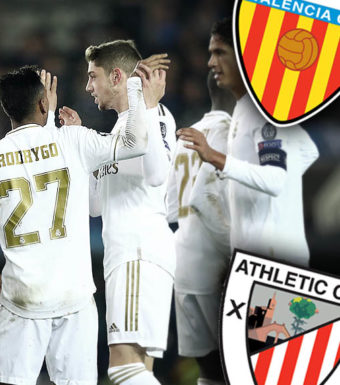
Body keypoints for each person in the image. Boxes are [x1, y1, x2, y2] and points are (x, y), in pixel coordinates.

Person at [0, 65, 162, 385]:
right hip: (74, 299)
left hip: (21, 299)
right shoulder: (73, 140)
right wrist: (139, 95)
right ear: (44, 103)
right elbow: (135, 144)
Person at [59, 40, 175, 385]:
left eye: (93, 77)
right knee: (137, 370)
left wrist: (143, 98)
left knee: (122, 369)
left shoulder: (154, 114)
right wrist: (83, 150)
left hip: (138, 253)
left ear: (116, 76)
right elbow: (96, 205)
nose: (88, 86)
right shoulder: (118, 130)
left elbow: (157, 175)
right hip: (127, 255)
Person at [178, 17, 319, 268]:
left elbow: (275, 180)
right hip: (257, 260)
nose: (211, 63)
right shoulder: (248, 106)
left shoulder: (266, 112)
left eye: (219, 53)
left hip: (275, 262)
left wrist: (215, 158)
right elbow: (308, 151)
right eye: (211, 54)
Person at [167, 70, 235, 385]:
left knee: (209, 373)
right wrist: (236, 255)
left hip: (184, 260)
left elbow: (172, 210)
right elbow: (206, 198)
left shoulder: (186, 136)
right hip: (216, 264)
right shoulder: (229, 134)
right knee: (239, 368)